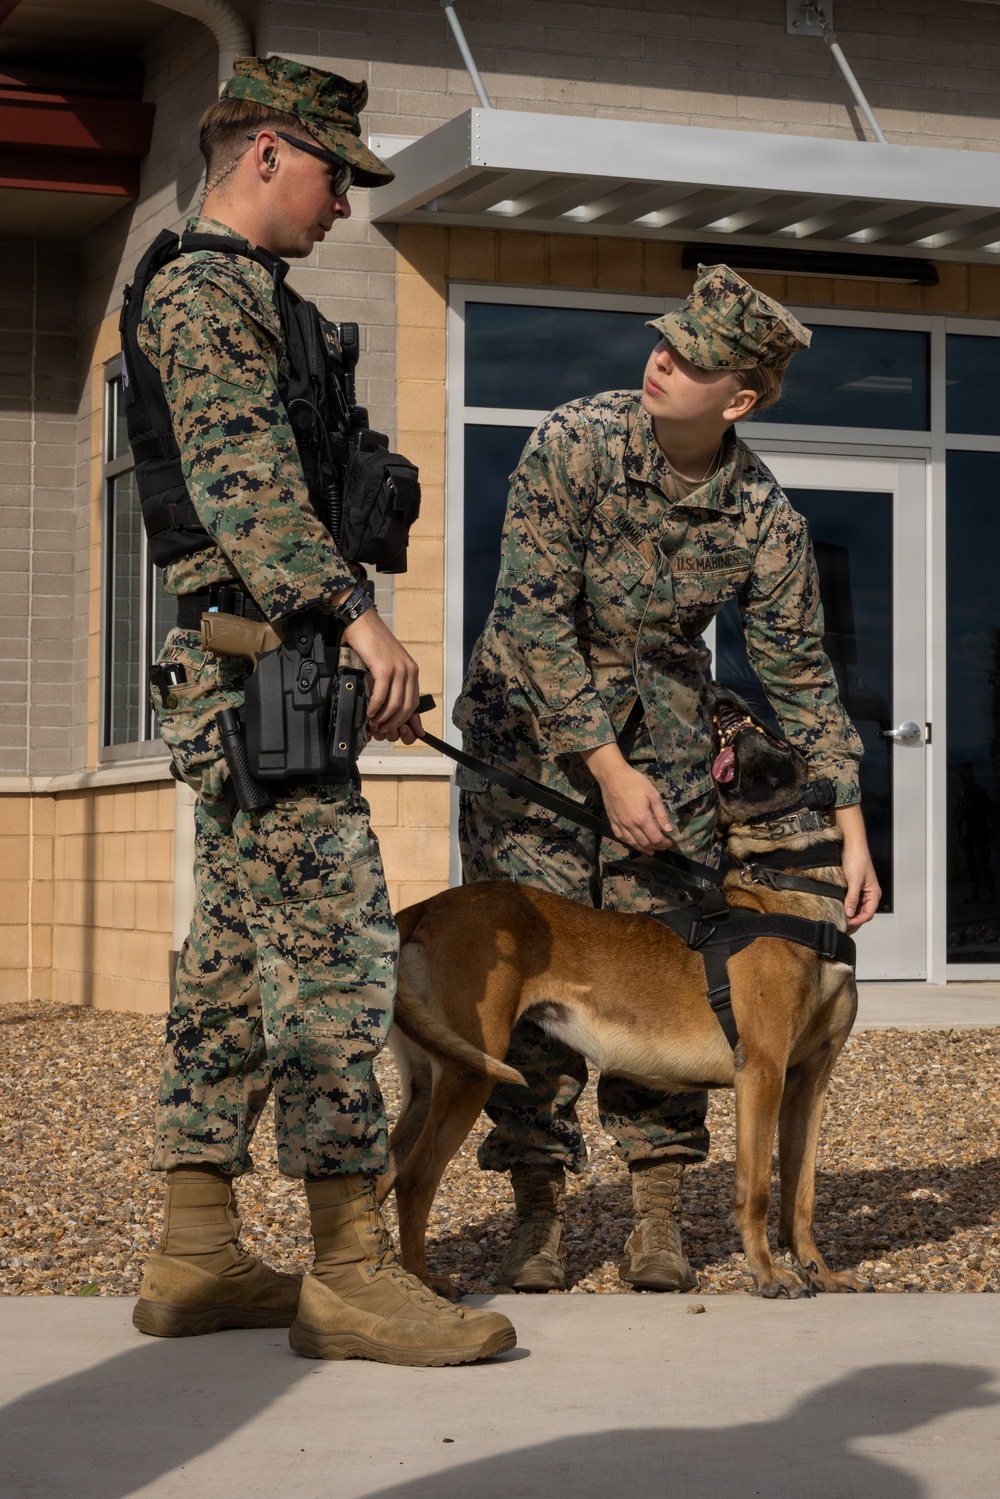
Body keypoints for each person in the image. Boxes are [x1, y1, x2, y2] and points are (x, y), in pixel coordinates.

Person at [130, 55, 514, 1366]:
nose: (345, 204)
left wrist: (347, 655)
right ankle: (352, 1267)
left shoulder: (253, 299)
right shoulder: (204, 294)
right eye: (336, 177)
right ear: (269, 154)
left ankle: (192, 1253)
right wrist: (354, 617)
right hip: (266, 667)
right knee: (341, 964)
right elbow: (245, 488)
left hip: (271, 675)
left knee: (234, 971)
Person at [454, 265, 881, 1294]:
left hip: (672, 759)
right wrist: (603, 766)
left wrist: (851, 826)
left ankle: (656, 1210)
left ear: (738, 399)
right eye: (664, 341)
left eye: (691, 359)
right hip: (532, 753)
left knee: (671, 977)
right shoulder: (575, 442)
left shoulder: (763, 518)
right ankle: (540, 1209)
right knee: (533, 980)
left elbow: (798, 671)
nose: (661, 360)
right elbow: (529, 614)